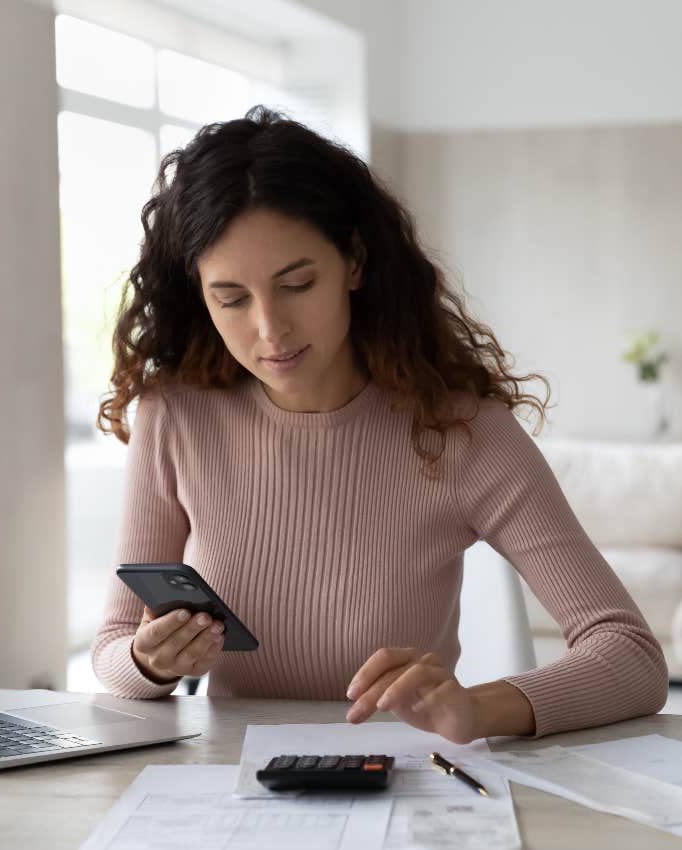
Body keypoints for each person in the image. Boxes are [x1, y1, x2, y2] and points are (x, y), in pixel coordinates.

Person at [91, 105, 667, 744]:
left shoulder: (461, 430)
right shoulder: (177, 415)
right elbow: (114, 650)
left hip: (402, 786)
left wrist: (479, 708)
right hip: (230, 784)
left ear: (355, 263)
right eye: (231, 298)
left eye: (298, 283)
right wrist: (150, 661)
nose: (269, 329)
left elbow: (631, 656)